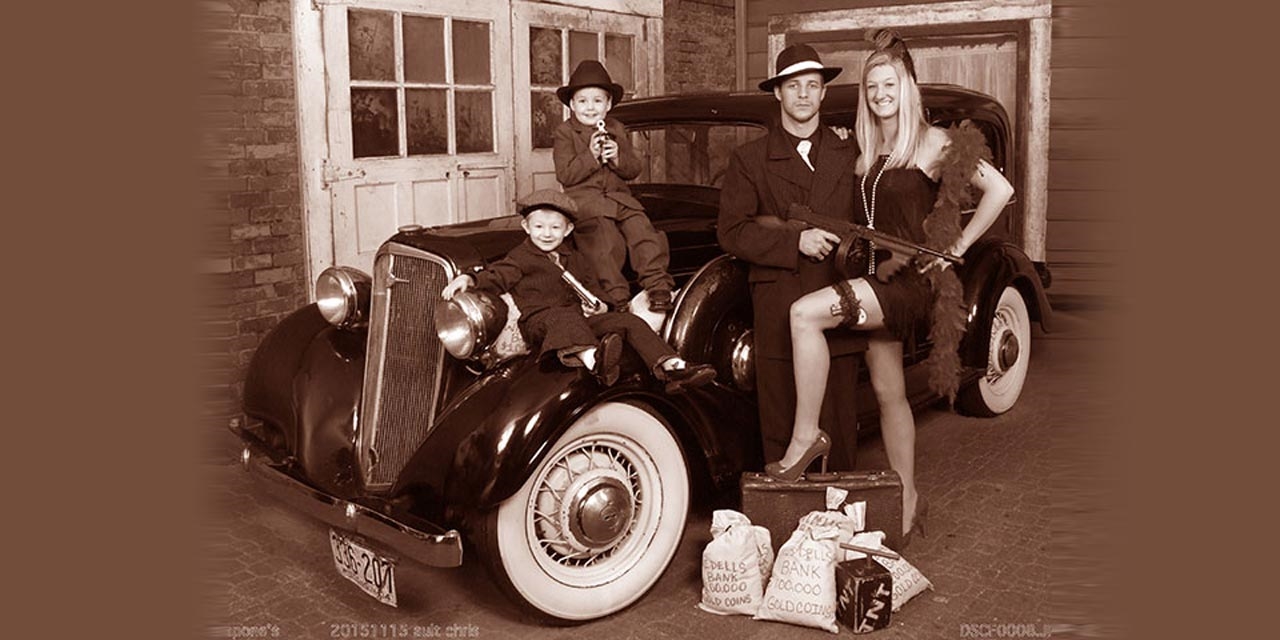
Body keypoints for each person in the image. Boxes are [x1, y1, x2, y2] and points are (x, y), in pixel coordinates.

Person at [782, 30, 1016, 541]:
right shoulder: (867, 147)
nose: (880, 93)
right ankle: (909, 498)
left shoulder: (934, 142)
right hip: (869, 276)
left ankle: (805, 438)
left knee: (804, 314)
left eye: (889, 84)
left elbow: (1000, 189)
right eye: (872, 87)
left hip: (909, 282)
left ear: (907, 86)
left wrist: (959, 244)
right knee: (890, 393)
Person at [717, 44, 864, 473]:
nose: (803, 94)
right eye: (793, 85)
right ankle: (787, 523)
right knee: (782, 416)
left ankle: (840, 524)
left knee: (837, 412)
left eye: (812, 86)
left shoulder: (849, 154)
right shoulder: (748, 159)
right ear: (778, 93)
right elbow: (732, 231)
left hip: (837, 297)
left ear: (823, 95)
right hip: (779, 300)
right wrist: (792, 243)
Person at [441, 189, 715, 393]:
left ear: (568, 229)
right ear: (526, 227)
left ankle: (672, 367)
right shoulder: (520, 257)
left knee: (629, 321)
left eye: (554, 228)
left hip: (579, 318)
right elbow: (497, 276)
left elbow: (593, 287)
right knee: (564, 318)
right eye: (538, 227)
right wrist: (469, 279)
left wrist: (603, 306)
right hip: (540, 322)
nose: (546, 234)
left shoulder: (574, 257)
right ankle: (593, 359)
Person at [553, 60, 676, 313]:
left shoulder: (616, 128)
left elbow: (633, 170)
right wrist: (591, 155)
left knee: (644, 232)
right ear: (572, 105)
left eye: (598, 101)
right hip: (587, 204)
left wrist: (617, 156)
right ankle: (616, 297)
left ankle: (657, 285)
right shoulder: (565, 133)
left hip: (622, 200)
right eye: (583, 101)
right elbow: (565, 175)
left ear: (608, 105)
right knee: (603, 244)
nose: (590, 107)